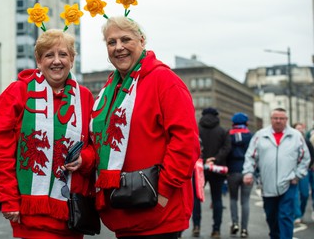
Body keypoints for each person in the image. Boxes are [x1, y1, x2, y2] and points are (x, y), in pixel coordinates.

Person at [89, 15, 200, 238]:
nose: (118, 47)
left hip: (157, 212)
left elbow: (186, 143)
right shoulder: (111, 88)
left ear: (142, 40)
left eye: (125, 39)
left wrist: (163, 192)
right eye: (111, 42)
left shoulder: (164, 80)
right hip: (124, 210)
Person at [0, 29, 96, 239]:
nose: (57, 61)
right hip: (31, 214)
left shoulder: (85, 97)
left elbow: (96, 145)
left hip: (72, 212)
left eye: (63, 55)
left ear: (72, 59)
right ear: (38, 60)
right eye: (49, 55)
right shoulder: (17, 92)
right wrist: (8, 198)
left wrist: (85, 159)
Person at [243, 108, 310, 239]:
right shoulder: (260, 135)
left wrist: (298, 175)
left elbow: (305, 158)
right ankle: (275, 235)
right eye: (275, 118)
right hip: (267, 184)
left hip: (289, 183)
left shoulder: (296, 136)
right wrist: (248, 173)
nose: (278, 121)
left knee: (285, 215)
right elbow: (250, 156)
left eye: (281, 118)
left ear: (286, 120)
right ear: (271, 119)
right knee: (271, 216)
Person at [194, 107, 231, 238]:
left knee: (197, 198)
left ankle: (196, 226)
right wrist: (215, 159)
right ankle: (216, 230)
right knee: (217, 199)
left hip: (199, 169)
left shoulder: (196, 130)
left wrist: (203, 160)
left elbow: (193, 146)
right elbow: (227, 148)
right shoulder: (222, 131)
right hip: (217, 169)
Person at [226, 112, 253, 237]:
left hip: (232, 171)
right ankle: (244, 229)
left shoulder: (228, 136)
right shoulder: (250, 136)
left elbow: (225, 152)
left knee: (233, 199)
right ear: (246, 123)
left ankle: (235, 223)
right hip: (247, 172)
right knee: (245, 201)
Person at [292, 122, 314, 224]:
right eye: (297, 128)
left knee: (305, 194)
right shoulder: (289, 141)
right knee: (295, 194)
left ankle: (301, 211)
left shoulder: (306, 142)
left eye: (301, 128)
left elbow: (312, 156)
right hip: (292, 172)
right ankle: (297, 215)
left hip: (304, 171)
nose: (300, 130)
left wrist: (307, 167)